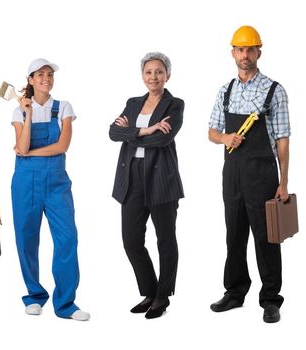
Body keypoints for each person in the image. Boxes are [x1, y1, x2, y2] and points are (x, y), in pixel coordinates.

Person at [208, 26, 290, 324]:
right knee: (235, 233)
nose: (245, 54)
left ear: (259, 52)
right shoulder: (225, 91)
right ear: (233, 53)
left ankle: (270, 299)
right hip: (232, 173)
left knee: (267, 237)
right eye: (240, 49)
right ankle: (235, 291)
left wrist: (283, 182)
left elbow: (282, 138)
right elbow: (212, 132)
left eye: (250, 49)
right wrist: (225, 138)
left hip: (262, 173)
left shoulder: (274, 90)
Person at [11, 58, 90, 321]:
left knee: (67, 238)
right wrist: (29, 113)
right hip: (25, 182)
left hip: (56, 182)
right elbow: (20, 148)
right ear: (31, 80)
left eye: (49, 74)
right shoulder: (19, 112)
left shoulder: (64, 107)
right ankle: (34, 296)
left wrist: (30, 152)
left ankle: (66, 304)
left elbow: (62, 146)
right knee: (26, 238)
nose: (46, 78)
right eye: (40, 75)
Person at [109, 52, 184, 319]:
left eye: (159, 72)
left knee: (165, 240)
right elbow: (112, 133)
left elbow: (163, 141)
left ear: (167, 75)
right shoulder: (132, 103)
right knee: (131, 240)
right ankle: (150, 291)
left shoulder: (174, 104)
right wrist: (147, 130)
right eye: (149, 72)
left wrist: (133, 136)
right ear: (143, 76)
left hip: (162, 180)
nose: (154, 76)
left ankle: (163, 296)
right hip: (131, 180)